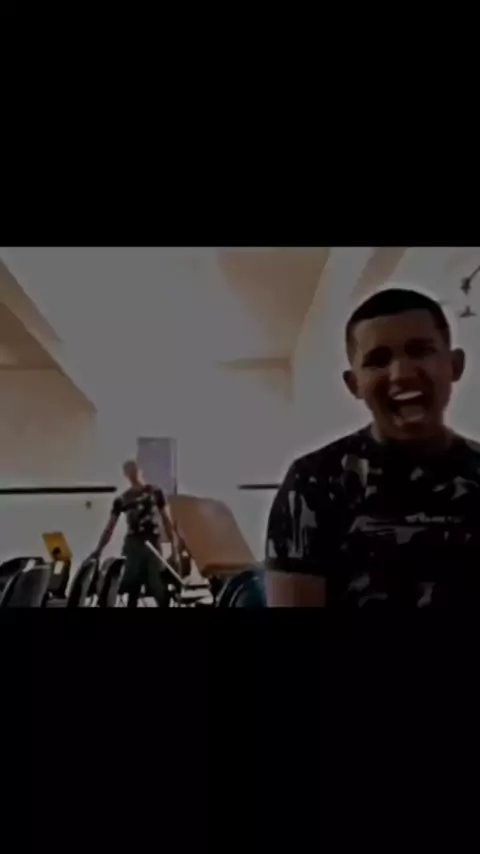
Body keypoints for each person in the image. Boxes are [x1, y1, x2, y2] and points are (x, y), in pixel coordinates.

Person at [265, 288, 480, 607]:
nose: (402, 375)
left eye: (421, 350)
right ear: (354, 384)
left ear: (455, 365)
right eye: (378, 360)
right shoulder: (312, 482)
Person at [91, 459, 180, 608]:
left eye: (134, 470)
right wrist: (98, 550)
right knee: (132, 586)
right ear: (126, 475)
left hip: (153, 543)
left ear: (140, 471)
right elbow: (110, 527)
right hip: (133, 545)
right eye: (129, 471)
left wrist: (174, 547)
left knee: (157, 586)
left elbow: (167, 521)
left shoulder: (155, 492)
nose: (133, 474)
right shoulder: (122, 499)